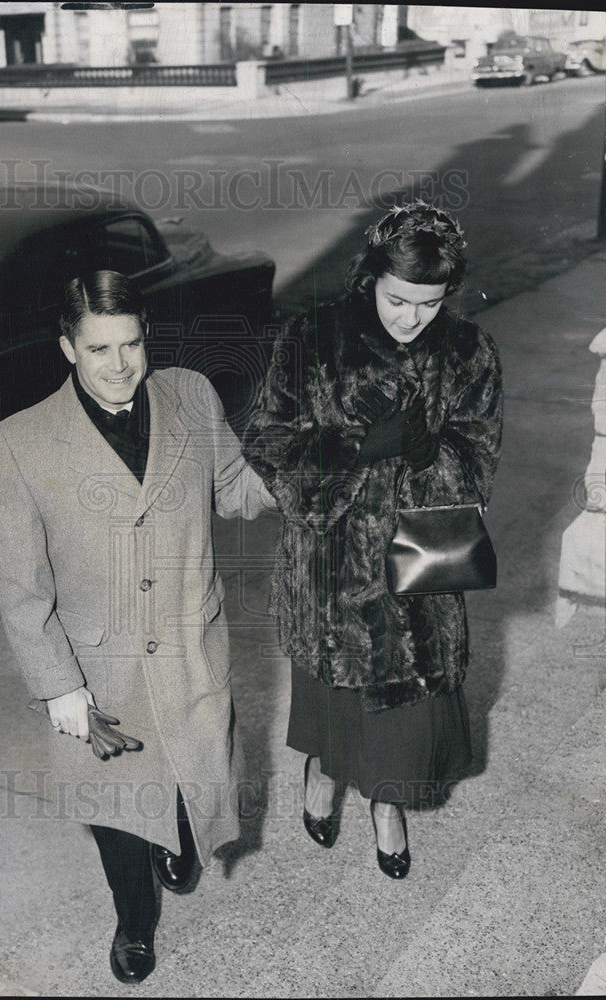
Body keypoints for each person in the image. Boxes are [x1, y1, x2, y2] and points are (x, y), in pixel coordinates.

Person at [0, 270, 274, 982]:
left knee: (189, 777)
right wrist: (59, 688)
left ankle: (178, 838)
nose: (119, 366)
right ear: (66, 348)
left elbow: (234, 487)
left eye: (131, 344)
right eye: (98, 350)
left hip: (186, 644)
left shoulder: (191, 395)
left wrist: (308, 469)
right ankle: (134, 921)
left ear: (147, 337)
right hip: (99, 671)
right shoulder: (20, 442)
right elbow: (21, 590)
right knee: (116, 807)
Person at [242, 202, 503, 878]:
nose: (411, 317)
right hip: (328, 568)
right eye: (397, 299)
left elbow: (477, 469)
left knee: (406, 715)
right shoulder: (311, 337)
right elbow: (267, 443)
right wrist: (357, 450)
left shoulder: (468, 351)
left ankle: (386, 805)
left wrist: (423, 455)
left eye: (429, 302)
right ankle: (323, 772)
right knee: (331, 696)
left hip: (416, 576)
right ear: (369, 277)